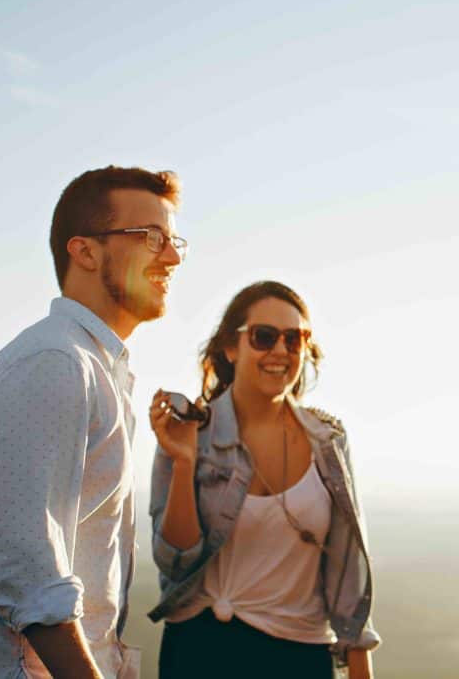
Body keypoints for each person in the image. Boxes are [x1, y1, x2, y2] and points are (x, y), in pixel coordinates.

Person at [0, 166, 184, 678]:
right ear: (85, 251)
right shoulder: (55, 361)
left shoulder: (97, 367)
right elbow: (32, 580)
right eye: (151, 237)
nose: (171, 256)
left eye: (173, 240)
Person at [147, 280, 379, 678]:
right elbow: (175, 561)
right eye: (264, 337)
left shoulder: (329, 442)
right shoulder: (189, 431)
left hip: (299, 659)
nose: (279, 351)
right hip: (199, 654)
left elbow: (348, 580)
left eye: (294, 339)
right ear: (230, 347)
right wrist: (184, 463)